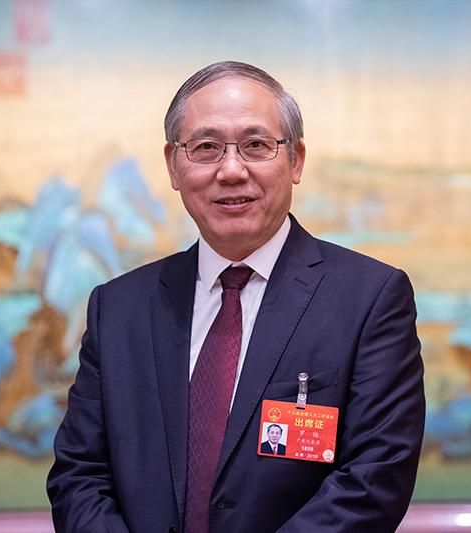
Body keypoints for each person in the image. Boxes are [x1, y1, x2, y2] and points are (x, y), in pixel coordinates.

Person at [47, 61, 425, 533]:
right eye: (206, 147)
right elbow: (79, 476)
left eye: (256, 146)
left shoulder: (369, 299)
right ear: (173, 165)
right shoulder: (118, 309)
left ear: (296, 160)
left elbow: (373, 479)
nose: (230, 170)